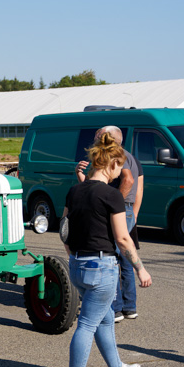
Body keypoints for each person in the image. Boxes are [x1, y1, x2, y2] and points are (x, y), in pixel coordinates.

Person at [63, 132, 152, 367]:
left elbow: (64, 230)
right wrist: (140, 268)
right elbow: (123, 239)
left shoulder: (74, 191)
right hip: (102, 268)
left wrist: (72, 254)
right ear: (111, 163)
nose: (120, 173)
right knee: (88, 324)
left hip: (78, 265)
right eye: (120, 167)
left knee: (103, 320)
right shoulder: (111, 196)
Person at [75, 126, 144, 322]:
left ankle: (114, 308)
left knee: (111, 255)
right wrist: (134, 211)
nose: (97, 139)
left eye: (99, 136)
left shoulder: (116, 156)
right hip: (128, 208)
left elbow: (129, 180)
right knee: (125, 257)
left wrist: (116, 204)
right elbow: (140, 185)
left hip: (120, 207)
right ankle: (129, 307)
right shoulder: (132, 156)